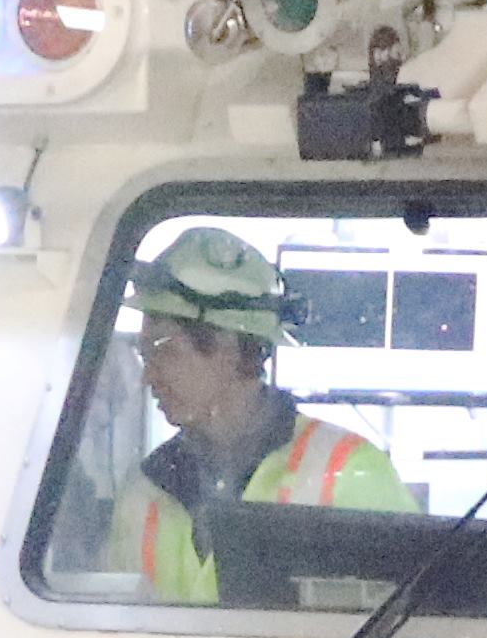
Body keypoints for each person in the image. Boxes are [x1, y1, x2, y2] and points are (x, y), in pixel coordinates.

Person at [99, 224, 412, 602]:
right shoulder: (144, 492)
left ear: (228, 348)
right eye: (144, 355)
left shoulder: (352, 472)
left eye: (165, 352)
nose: (148, 377)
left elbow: (409, 627)